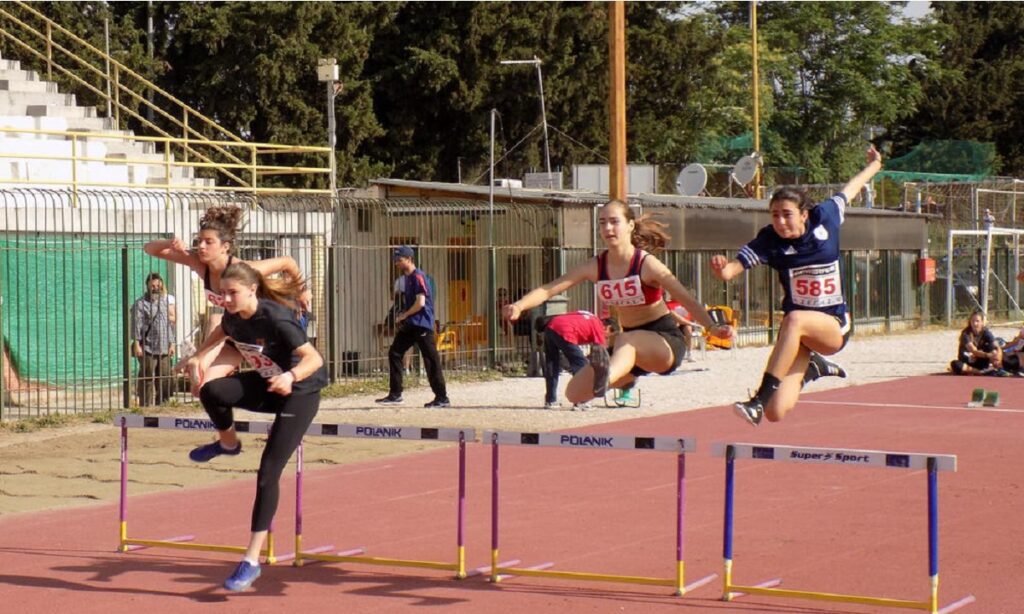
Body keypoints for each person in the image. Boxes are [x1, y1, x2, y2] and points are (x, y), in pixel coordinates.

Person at [179, 261, 326, 592]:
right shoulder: (233, 315)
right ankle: (228, 443)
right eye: (222, 295)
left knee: (268, 473)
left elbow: (314, 359)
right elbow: (223, 331)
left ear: (252, 291)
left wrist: (290, 376)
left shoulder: (275, 317)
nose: (226, 300)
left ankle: (251, 560)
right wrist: (201, 357)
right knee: (212, 390)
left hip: (299, 391)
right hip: (269, 384)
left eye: (232, 294)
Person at [711, 145, 882, 426]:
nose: (779, 221)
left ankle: (756, 401)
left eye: (786, 214)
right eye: (774, 215)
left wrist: (875, 165)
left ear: (804, 214)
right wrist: (722, 269)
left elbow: (851, 188)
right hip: (799, 334)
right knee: (776, 412)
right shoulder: (769, 241)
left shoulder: (825, 217)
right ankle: (812, 369)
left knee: (794, 319)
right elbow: (732, 270)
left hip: (833, 326)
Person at [503, 200, 731, 404]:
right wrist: (519, 306)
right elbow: (550, 288)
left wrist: (712, 327)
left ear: (630, 225)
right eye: (602, 223)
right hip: (628, 350)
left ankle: (606, 377)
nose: (607, 228)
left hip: (664, 342)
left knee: (625, 339)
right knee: (575, 394)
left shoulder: (647, 265)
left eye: (614, 222)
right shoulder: (595, 266)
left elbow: (687, 299)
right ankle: (611, 377)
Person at [144, 205, 309, 396]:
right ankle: (198, 367)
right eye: (199, 241)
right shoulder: (198, 263)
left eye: (208, 242)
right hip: (239, 330)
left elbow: (287, 262)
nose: (201, 246)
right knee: (205, 389)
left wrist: (302, 292)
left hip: (272, 327)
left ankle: (198, 362)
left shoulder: (243, 269)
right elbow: (149, 249)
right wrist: (169, 242)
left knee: (285, 387)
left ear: (225, 247)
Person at [376, 246, 450, 407]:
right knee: (395, 353)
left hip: (422, 324)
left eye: (399, 260)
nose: (396, 263)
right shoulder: (407, 278)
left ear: (409, 259)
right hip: (411, 324)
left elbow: (420, 303)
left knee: (431, 360)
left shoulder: (418, 277)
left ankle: (442, 398)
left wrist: (404, 315)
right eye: (396, 260)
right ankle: (395, 394)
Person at [535, 310, 606, 409]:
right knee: (581, 365)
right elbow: (602, 353)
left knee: (552, 363)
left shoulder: (589, 315)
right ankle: (581, 400)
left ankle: (550, 400)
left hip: (551, 327)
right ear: (608, 328)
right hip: (565, 330)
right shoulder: (599, 327)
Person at [130, 272, 177, 406]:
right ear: (147, 286)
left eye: (158, 285)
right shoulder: (140, 304)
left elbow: (169, 324)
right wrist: (137, 345)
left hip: (164, 346)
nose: (155, 288)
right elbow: (136, 326)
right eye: (153, 286)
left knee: (165, 377)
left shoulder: (164, 302)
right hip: (148, 347)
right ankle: (146, 405)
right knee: (147, 378)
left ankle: (163, 403)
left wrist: (172, 343)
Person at [950, 310, 1005, 375]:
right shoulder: (965, 334)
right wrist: (987, 355)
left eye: (977, 321)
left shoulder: (986, 332)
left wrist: (998, 357)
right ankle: (979, 372)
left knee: (993, 348)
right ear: (970, 322)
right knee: (955, 364)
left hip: (981, 361)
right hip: (968, 361)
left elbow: (997, 346)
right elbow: (973, 350)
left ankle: (998, 368)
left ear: (982, 322)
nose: (975, 324)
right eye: (973, 321)